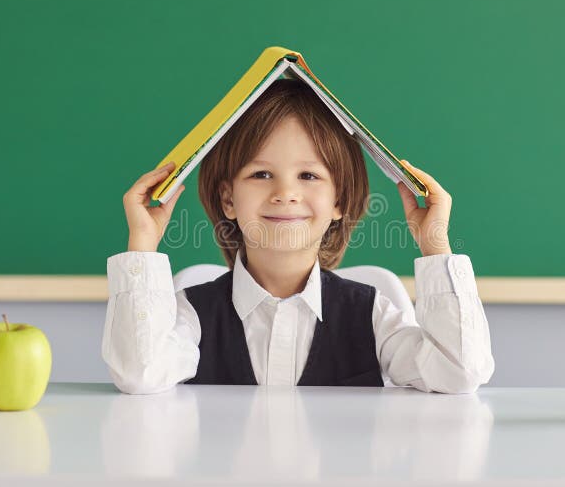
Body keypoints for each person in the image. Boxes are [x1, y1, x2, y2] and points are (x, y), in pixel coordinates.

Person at [102, 79, 494, 393]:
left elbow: (458, 374)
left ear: (339, 199)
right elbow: (140, 374)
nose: (285, 193)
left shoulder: (372, 315)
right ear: (228, 199)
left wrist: (435, 245)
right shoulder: (193, 314)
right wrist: (142, 244)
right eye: (261, 174)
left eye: (308, 176)